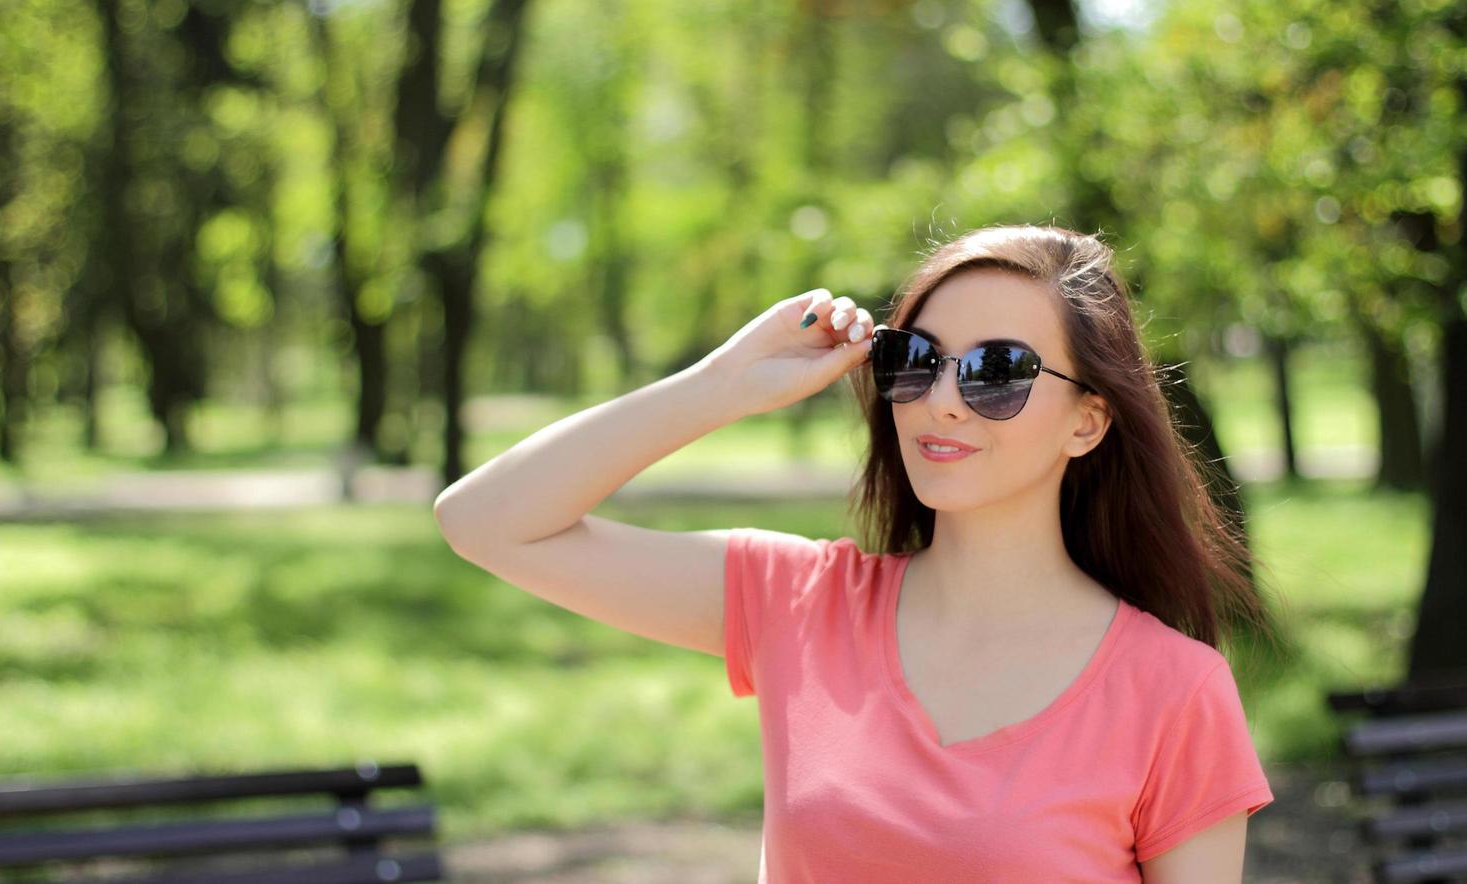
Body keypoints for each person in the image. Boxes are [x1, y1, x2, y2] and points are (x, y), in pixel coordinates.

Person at [433, 223, 1279, 883]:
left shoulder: (1172, 692)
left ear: (1088, 420)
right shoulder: (799, 603)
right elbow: (485, 521)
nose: (941, 402)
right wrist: (722, 383)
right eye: (915, 361)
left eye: (997, 372)